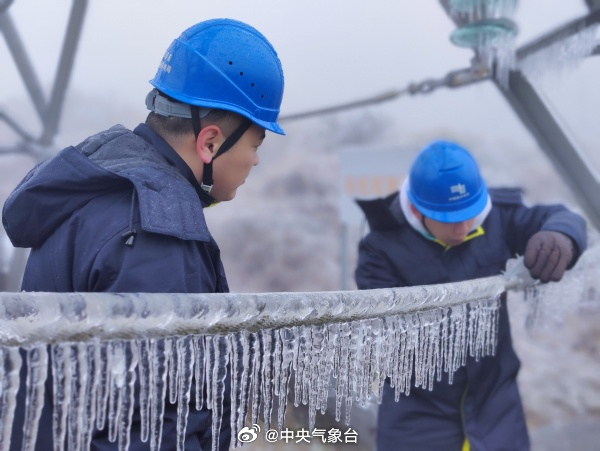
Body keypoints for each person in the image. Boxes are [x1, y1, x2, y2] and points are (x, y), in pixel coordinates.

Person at [2, 18, 285, 450]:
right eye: (256, 144)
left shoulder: (97, 184)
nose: (256, 161)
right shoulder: (159, 230)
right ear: (210, 143)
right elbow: (158, 425)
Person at [354, 140, 587, 451]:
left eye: (470, 213)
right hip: (418, 418)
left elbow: (563, 216)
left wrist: (561, 236)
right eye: (449, 219)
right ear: (418, 209)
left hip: (497, 411)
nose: (463, 227)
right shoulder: (381, 248)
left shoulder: (498, 219)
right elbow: (384, 336)